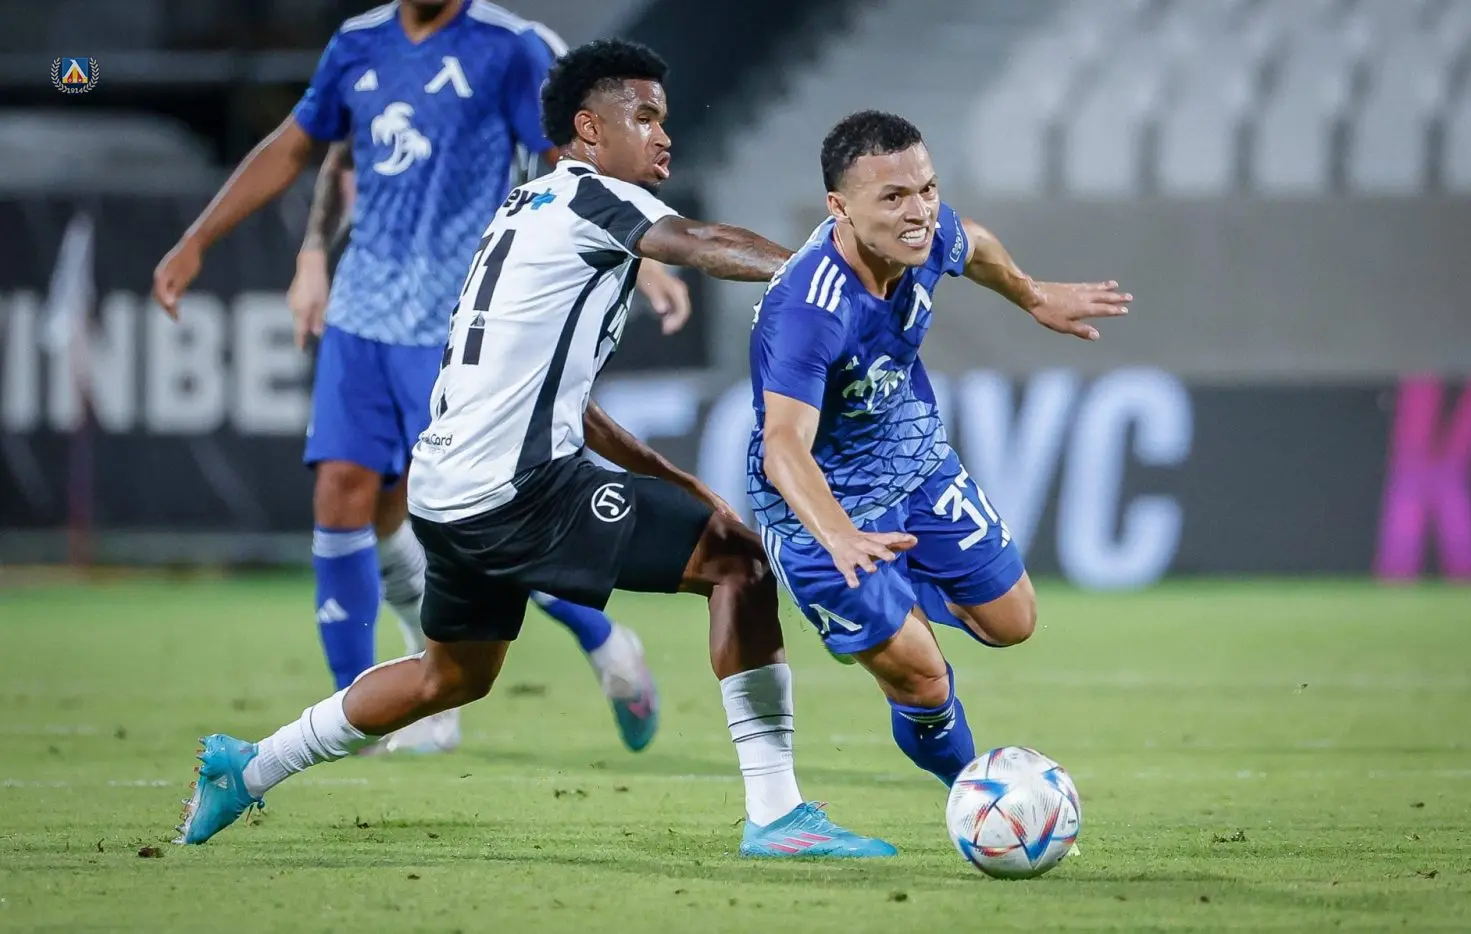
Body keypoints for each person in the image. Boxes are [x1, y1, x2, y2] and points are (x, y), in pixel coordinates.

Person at [173, 38, 895, 860]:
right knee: (739, 563)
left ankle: (248, 767)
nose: (664, 136)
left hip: (448, 489)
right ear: (588, 130)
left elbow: (565, 401)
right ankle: (777, 814)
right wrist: (826, 272)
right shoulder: (595, 197)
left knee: (451, 677)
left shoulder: (529, 207)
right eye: (644, 117)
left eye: (664, 119)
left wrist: (674, 479)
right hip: (515, 489)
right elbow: (698, 242)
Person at [153, 0, 689, 755]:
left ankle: (602, 639)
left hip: (461, 322)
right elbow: (315, 147)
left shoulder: (511, 47)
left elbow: (576, 162)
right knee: (346, 495)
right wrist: (263, 247)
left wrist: (645, 252)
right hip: (362, 312)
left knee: (478, 517)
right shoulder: (358, 43)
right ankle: (360, 713)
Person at [748, 110, 1129, 787]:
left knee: (1014, 620)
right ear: (839, 207)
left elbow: (972, 241)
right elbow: (782, 447)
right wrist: (839, 534)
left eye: (926, 189)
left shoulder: (923, 236)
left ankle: (893, 613)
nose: (919, 211)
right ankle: (975, 794)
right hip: (825, 511)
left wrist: (1031, 294)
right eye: (893, 197)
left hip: (912, 462)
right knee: (924, 679)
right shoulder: (809, 308)